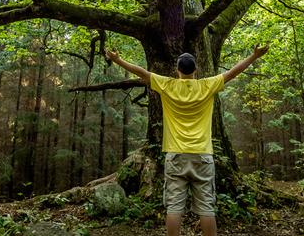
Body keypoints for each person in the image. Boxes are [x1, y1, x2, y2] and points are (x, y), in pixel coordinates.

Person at [105, 44, 269, 236]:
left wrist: (118, 60)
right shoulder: (206, 85)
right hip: (203, 155)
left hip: (176, 155)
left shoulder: (168, 85)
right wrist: (254, 56)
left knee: (174, 207)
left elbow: (142, 72)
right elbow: (233, 72)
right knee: (206, 207)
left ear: (177, 70)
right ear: (195, 69)